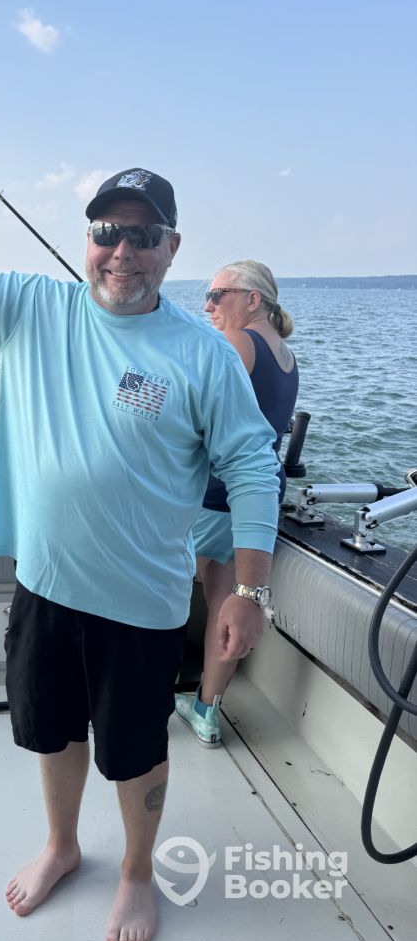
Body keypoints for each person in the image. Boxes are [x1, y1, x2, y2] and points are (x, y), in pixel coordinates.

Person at [0, 169, 281, 941]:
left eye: (143, 235)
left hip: (143, 604)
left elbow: (253, 468)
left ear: (172, 247)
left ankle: (138, 871)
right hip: (44, 587)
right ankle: (62, 846)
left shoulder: (204, 356)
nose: (123, 250)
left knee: (136, 752)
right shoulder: (34, 309)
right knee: (50, 732)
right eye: (107, 232)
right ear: (87, 240)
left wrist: (247, 591)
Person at [175, 261, 298, 748]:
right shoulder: (285, 355)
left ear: (252, 299)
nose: (207, 306)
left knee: (159, 592)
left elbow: (185, 405)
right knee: (224, 600)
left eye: (217, 294)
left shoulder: (238, 342)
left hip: (213, 495)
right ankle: (206, 710)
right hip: (255, 500)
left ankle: (141, 698)